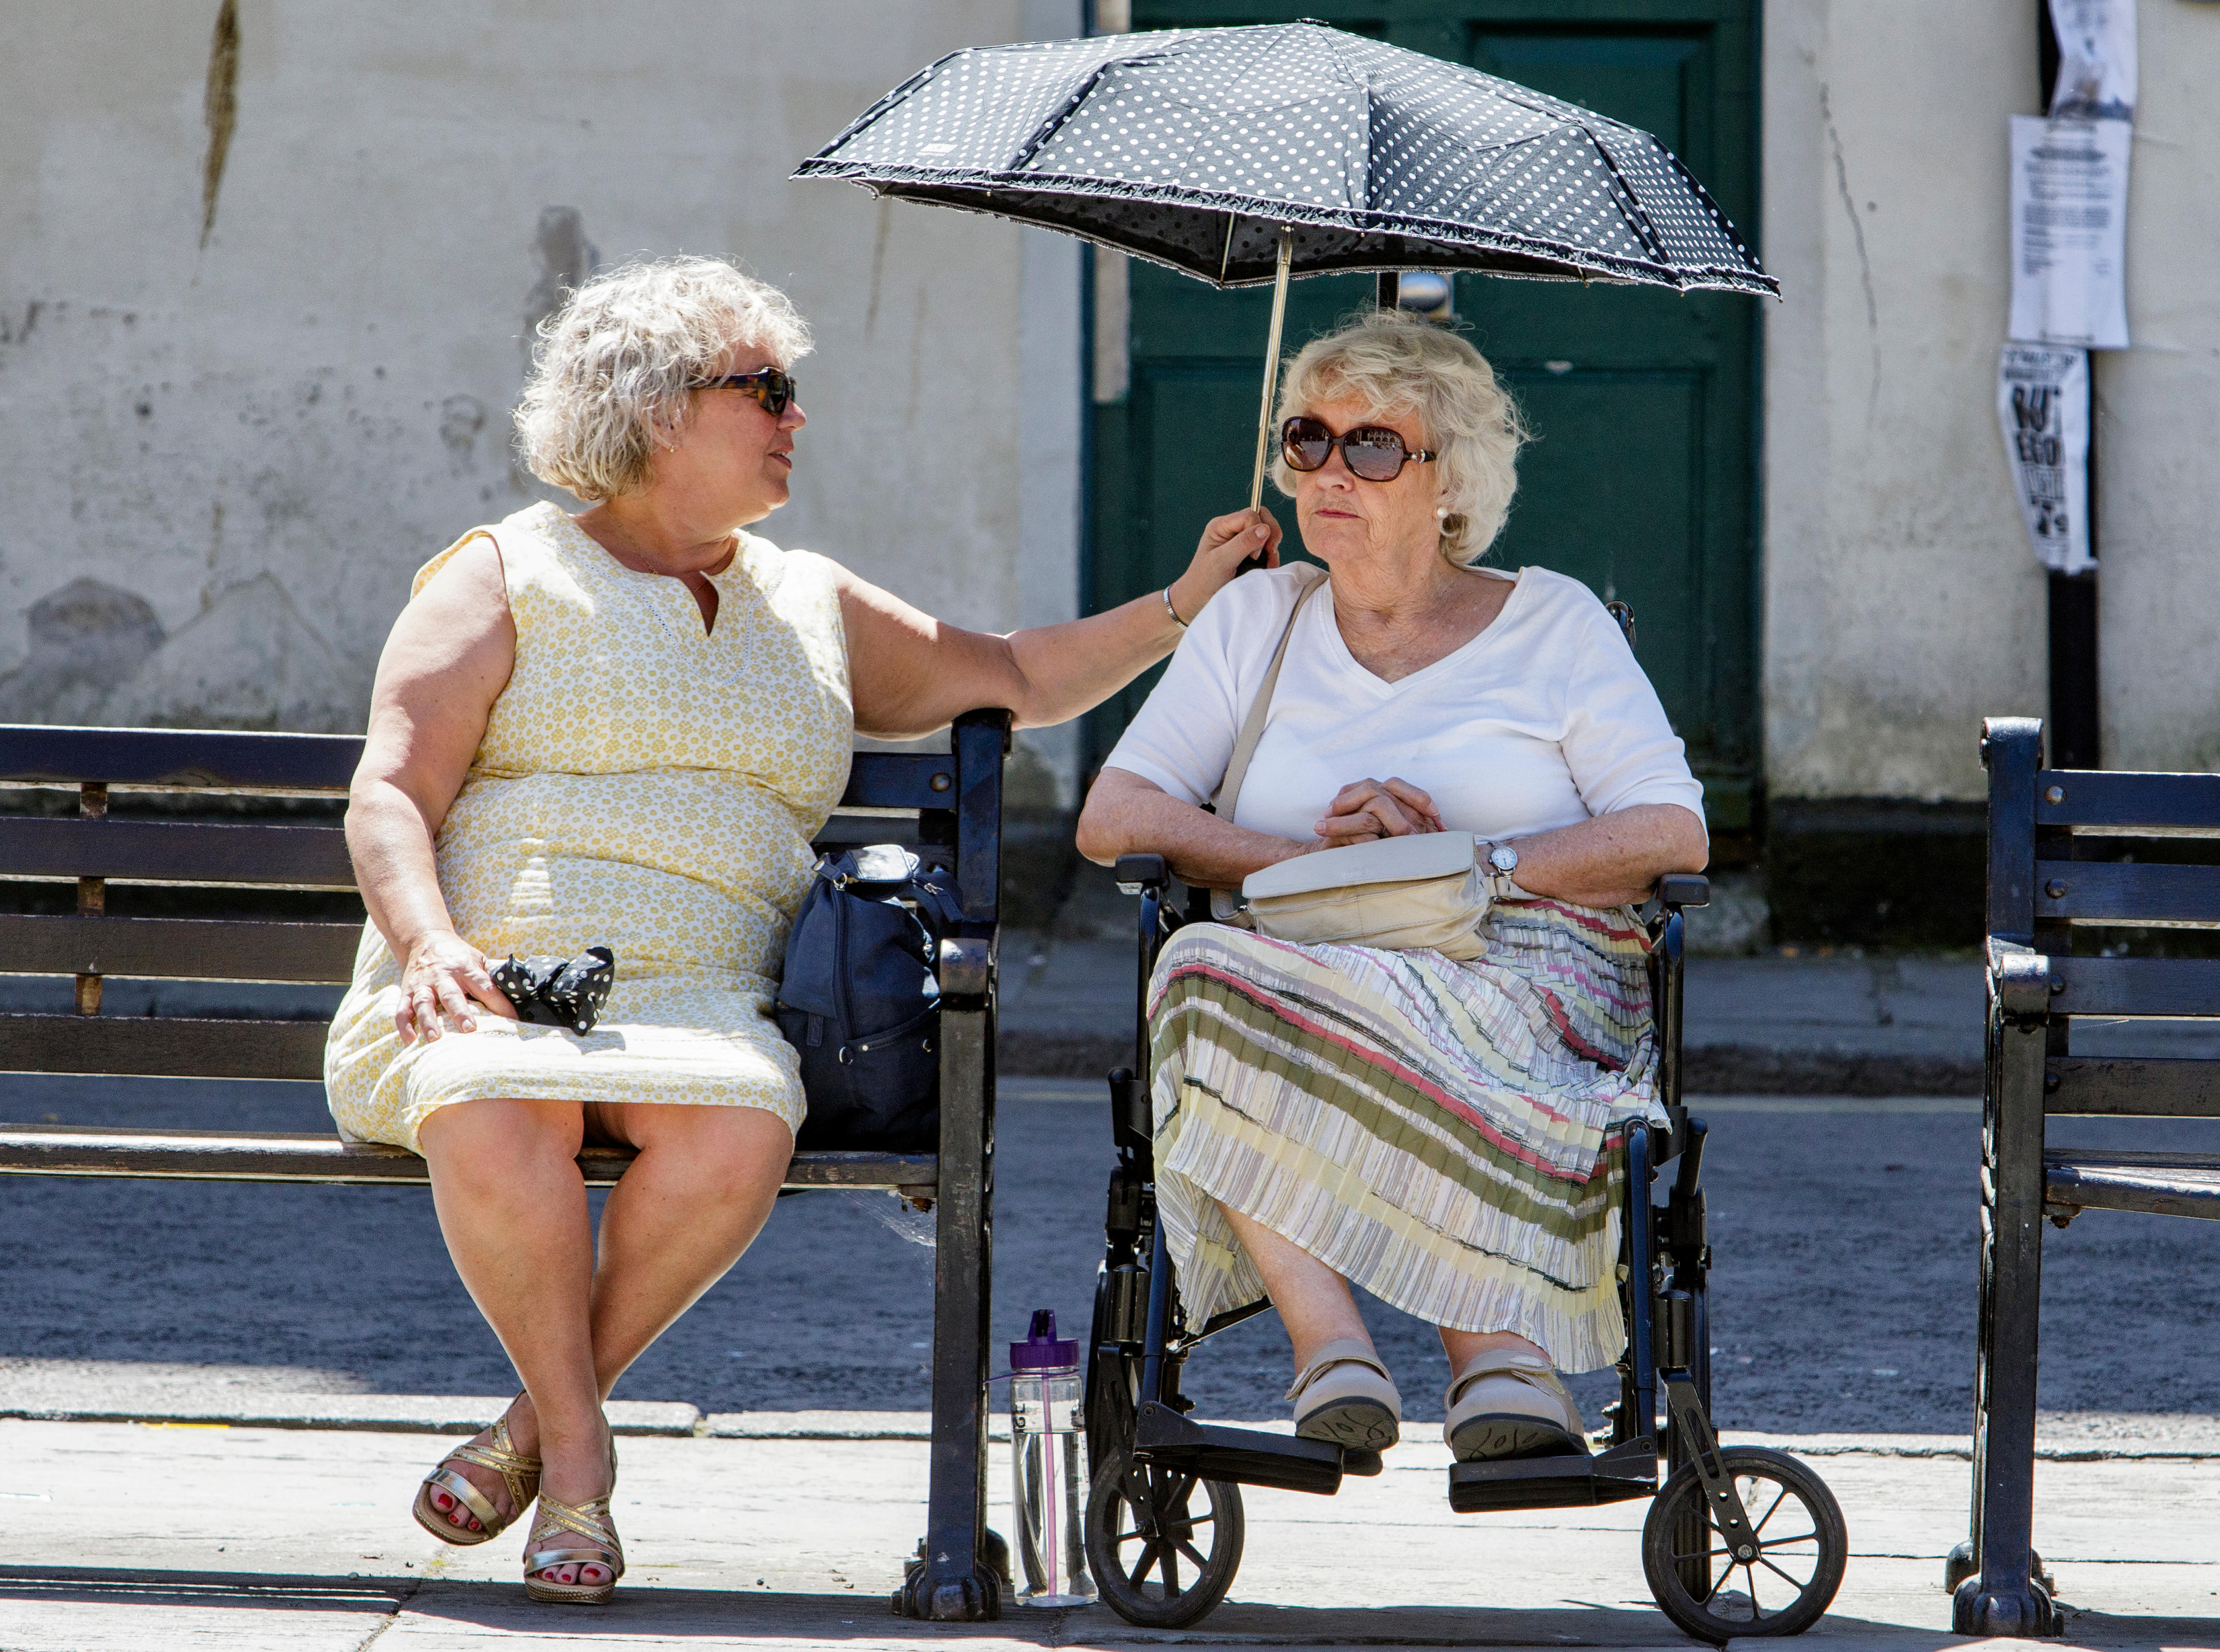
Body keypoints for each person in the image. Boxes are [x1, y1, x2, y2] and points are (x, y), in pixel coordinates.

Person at [324, 256, 1264, 1604]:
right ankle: (578, 1459)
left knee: (740, 1127)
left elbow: (1016, 673)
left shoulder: (810, 600)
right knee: (495, 1100)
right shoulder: (503, 575)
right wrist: (428, 945)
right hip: (493, 981)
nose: (796, 416)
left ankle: (530, 1426)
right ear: (656, 408)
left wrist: (1186, 601)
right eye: (765, 388)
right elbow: (391, 791)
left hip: (704, 995)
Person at [1076, 308, 1708, 1466]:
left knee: (1391, 997)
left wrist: (1464, 864)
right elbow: (1114, 816)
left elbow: (1672, 831)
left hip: (1519, 958)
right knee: (1199, 967)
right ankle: (1333, 1352)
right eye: (1308, 439)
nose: (1330, 471)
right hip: (1303, 958)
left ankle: (1497, 1353)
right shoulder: (1257, 616)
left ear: (1448, 479)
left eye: (1372, 446)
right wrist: (1314, 866)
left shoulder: (1553, 622)